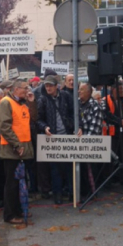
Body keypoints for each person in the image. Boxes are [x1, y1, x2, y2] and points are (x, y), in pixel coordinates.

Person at [0, 80, 35, 224]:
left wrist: (31, 103)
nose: (27, 90)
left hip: (22, 149)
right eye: (25, 88)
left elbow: (33, 119)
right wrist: (17, 145)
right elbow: (4, 127)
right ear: (16, 89)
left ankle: (19, 210)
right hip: (12, 149)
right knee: (11, 184)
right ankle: (10, 215)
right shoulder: (6, 103)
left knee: (20, 182)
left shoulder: (22, 103)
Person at [36, 75, 75, 205]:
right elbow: (39, 119)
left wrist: (76, 126)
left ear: (56, 86)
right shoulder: (42, 100)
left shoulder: (65, 96)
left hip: (67, 136)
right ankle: (57, 194)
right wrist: (45, 127)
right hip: (52, 138)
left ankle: (71, 192)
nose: (48, 88)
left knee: (70, 166)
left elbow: (73, 112)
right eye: (46, 86)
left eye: (50, 85)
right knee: (55, 169)